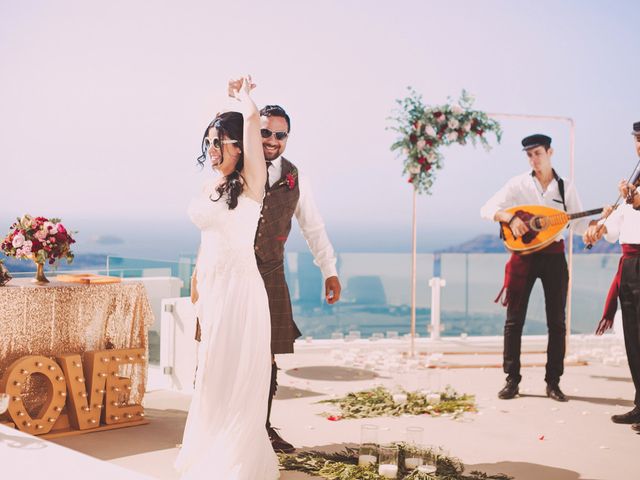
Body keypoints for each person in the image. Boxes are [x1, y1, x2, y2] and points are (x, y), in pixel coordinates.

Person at [175, 77, 280, 479]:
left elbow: (251, 121)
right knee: (213, 372)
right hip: (214, 289)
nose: (213, 150)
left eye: (220, 142)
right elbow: (207, 241)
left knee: (237, 371)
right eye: (209, 143)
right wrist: (197, 282)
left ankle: (235, 458)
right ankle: (209, 448)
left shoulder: (253, 181)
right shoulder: (211, 184)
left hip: (240, 289)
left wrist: (243, 98)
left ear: (240, 146)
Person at [255, 102, 342, 452]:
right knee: (227, 350)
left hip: (271, 273)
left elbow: (313, 227)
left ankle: (262, 427)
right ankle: (225, 423)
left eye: (280, 134)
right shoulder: (235, 166)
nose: (272, 139)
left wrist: (329, 271)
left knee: (267, 356)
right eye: (265, 132)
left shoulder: (295, 176)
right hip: (234, 273)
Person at [480, 134, 591, 402]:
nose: (534, 159)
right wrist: (510, 217)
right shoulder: (517, 184)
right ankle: (512, 380)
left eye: (538, 153)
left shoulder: (565, 188)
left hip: (554, 257)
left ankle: (553, 382)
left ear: (550, 152)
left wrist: (595, 229)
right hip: (524, 257)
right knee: (514, 320)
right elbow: (487, 208)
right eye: (529, 155)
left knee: (557, 322)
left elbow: (576, 225)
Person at [583, 121, 640, 432]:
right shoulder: (631, 184)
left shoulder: (633, 191)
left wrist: (633, 198)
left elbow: (637, 204)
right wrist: (599, 227)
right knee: (633, 339)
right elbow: (615, 227)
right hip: (630, 266)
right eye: (638, 140)